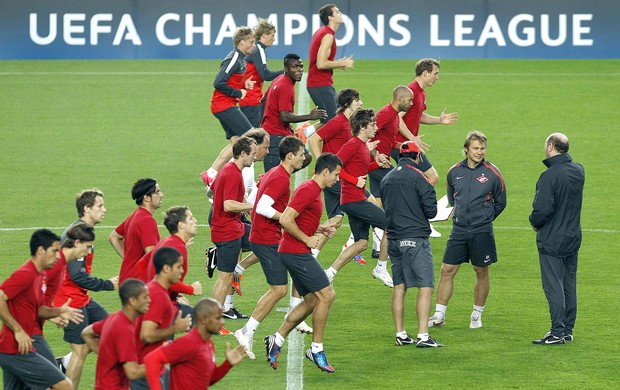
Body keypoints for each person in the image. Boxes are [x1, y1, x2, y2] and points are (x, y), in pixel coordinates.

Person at [234, 136, 309, 359]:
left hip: (267, 235)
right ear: (290, 156)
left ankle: (253, 328)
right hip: (266, 237)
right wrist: (285, 218)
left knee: (288, 278)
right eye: (301, 154)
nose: (304, 158)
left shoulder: (275, 173)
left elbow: (257, 198)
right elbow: (263, 207)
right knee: (279, 289)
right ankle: (246, 330)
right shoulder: (281, 178)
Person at [264, 153, 340, 373]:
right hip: (296, 252)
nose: (336, 179)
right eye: (335, 175)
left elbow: (299, 219)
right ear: (325, 172)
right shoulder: (308, 189)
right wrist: (307, 239)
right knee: (327, 295)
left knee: (311, 301)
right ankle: (316, 350)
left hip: (294, 250)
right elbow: (286, 218)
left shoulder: (314, 190)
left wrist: (319, 229)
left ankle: (276, 340)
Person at [429, 131, 506, 329]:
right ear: (466, 150)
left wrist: (485, 218)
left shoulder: (493, 173)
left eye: (482, 148)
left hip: (482, 231)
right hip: (459, 230)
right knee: (447, 270)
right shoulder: (454, 172)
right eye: (475, 148)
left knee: (481, 271)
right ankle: (439, 315)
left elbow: (501, 203)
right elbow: (453, 199)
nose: (480, 152)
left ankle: (476, 315)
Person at [0, 229, 83, 390]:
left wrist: (58, 312)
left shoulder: (41, 276)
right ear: (40, 250)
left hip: (20, 347)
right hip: (15, 349)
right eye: (54, 251)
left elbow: (38, 310)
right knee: (64, 386)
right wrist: (18, 330)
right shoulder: (26, 274)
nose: (58, 256)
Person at [380, 141, 443, 348]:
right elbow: (431, 211)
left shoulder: (387, 178)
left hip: (394, 240)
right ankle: (423, 336)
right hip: (415, 239)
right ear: (418, 157)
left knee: (399, 286)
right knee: (425, 286)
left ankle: (401, 334)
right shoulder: (420, 178)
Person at [55, 190, 118, 386]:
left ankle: (64, 363)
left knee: (110, 329)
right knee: (80, 350)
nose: (104, 210)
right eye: (99, 206)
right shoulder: (78, 236)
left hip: (81, 298)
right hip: (69, 301)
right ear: (87, 208)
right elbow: (77, 275)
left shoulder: (81, 229)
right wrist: (107, 284)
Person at [324, 108, 392, 287]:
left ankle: (329, 273)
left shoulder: (362, 146)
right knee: (391, 226)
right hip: (354, 200)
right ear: (362, 126)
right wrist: (354, 181)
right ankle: (381, 267)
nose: (376, 127)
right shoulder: (353, 144)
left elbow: (357, 170)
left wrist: (374, 165)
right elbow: (335, 166)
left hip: (352, 200)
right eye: (372, 124)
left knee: (361, 243)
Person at [530, 133, 585, 345]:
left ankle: (556, 332)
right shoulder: (578, 170)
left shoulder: (549, 176)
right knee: (569, 284)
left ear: (551, 147)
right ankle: (568, 330)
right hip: (572, 237)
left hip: (552, 239)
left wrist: (534, 222)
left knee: (553, 285)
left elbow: (542, 210)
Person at [307, 88, 363, 259]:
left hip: (336, 176)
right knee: (370, 203)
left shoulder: (349, 123)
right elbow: (313, 139)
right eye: (357, 100)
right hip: (335, 178)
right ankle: (357, 242)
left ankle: (311, 253)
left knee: (336, 220)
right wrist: (321, 163)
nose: (360, 103)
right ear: (347, 104)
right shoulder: (338, 121)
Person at [144, 298, 247, 390]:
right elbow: (151, 359)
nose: (222, 322)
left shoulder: (208, 344)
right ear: (203, 319)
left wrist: (227, 364)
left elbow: (209, 378)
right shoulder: (188, 343)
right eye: (218, 318)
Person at [201, 26, 256, 190]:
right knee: (251, 137)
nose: (253, 45)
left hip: (226, 104)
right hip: (223, 105)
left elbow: (231, 79)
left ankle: (211, 174)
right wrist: (238, 92)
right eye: (251, 42)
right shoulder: (233, 58)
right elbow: (218, 82)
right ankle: (246, 183)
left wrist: (243, 84)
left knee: (237, 143)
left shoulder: (240, 59)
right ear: (242, 42)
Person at [132, 247, 192, 389]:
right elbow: (147, 335)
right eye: (178, 267)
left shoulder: (155, 290)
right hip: (146, 369)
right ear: (166, 268)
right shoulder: (157, 295)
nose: (182, 271)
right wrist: (175, 328)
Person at [210, 137, 257, 312]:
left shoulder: (229, 169)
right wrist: (253, 205)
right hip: (227, 232)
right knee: (224, 277)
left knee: (269, 241)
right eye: (252, 154)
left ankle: (240, 267)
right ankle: (210, 318)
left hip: (234, 228)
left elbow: (212, 190)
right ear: (243, 154)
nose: (255, 157)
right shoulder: (232, 173)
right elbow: (228, 205)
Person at [397, 58, 458, 187]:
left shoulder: (421, 92)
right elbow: (397, 118)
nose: (437, 77)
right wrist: (412, 138)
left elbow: (417, 116)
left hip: (405, 143)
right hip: (399, 144)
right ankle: (419, 206)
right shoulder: (411, 91)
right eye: (435, 73)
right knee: (432, 177)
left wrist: (439, 120)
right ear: (425, 73)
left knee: (413, 181)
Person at [261, 53, 326, 172]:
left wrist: (268, 119)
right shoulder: (285, 86)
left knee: (305, 156)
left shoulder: (280, 79)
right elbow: (284, 116)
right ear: (286, 69)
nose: (299, 70)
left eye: (301, 66)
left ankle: (282, 174)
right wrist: (310, 116)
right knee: (270, 177)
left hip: (279, 133)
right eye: (295, 67)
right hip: (275, 136)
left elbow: (264, 100)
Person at [81, 278, 151, 390]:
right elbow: (132, 372)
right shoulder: (125, 329)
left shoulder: (114, 317)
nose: (149, 301)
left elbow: (86, 333)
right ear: (133, 301)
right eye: (145, 297)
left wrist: (108, 356)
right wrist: (159, 361)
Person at [139, 207, 203, 319]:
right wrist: (192, 289)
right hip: (161, 305)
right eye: (191, 219)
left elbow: (141, 265)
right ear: (181, 225)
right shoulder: (176, 247)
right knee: (203, 324)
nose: (195, 221)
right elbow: (168, 280)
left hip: (159, 302)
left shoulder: (167, 241)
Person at [307, 3, 354, 124]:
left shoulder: (323, 32)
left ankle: (305, 132)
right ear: (330, 17)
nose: (340, 14)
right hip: (320, 84)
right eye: (337, 12)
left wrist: (339, 62)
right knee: (334, 122)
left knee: (332, 119)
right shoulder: (328, 35)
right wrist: (342, 63)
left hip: (319, 84)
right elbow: (321, 64)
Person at [109, 178, 163, 283]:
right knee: (180, 300)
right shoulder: (146, 220)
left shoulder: (135, 215)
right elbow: (152, 256)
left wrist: (130, 261)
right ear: (147, 198)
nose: (161, 195)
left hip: (128, 280)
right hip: (139, 283)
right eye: (157, 192)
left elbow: (113, 237)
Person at [239, 18, 284, 128]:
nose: (274, 39)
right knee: (252, 138)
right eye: (272, 35)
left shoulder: (256, 49)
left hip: (250, 99)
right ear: (264, 35)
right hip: (251, 100)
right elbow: (265, 75)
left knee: (245, 137)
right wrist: (286, 72)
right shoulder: (258, 50)